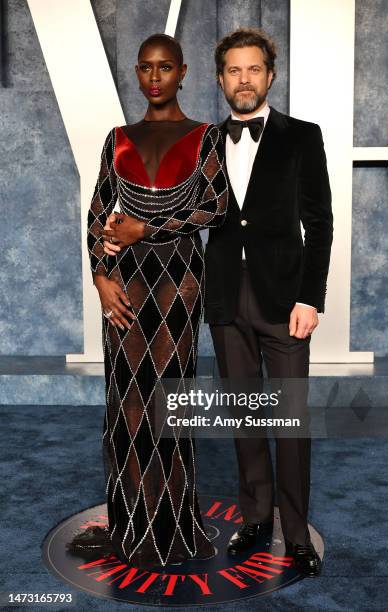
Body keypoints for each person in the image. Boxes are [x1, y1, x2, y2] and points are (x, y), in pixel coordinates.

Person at [69, 33, 228, 568]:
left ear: (183, 72)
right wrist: (99, 274)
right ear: (137, 74)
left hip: (179, 276)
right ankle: (130, 522)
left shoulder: (207, 137)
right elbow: (97, 213)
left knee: (167, 394)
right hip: (126, 279)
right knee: (126, 398)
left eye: (165, 68)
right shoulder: (117, 138)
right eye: (145, 68)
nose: (155, 77)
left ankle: (173, 522)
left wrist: (146, 227)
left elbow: (215, 209)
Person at [204, 28, 333, 576]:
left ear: (270, 75)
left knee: (291, 419)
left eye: (253, 69)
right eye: (234, 70)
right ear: (220, 79)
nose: (244, 80)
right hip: (226, 301)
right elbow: (186, 213)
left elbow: (320, 222)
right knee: (244, 415)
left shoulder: (302, 136)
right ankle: (256, 518)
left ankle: (297, 533)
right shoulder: (206, 141)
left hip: (285, 302)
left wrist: (310, 297)